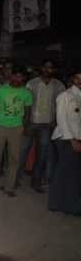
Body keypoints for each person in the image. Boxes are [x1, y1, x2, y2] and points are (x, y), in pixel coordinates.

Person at [0, 66, 33, 197]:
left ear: (24, 78)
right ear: (11, 76)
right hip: (0, 126)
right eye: (16, 75)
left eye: (21, 77)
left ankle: (9, 186)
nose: (18, 79)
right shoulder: (2, 89)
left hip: (16, 128)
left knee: (14, 158)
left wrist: (24, 127)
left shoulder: (26, 93)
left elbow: (27, 112)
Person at [17, 59, 65, 192]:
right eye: (45, 67)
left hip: (47, 124)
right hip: (31, 122)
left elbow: (61, 106)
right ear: (41, 68)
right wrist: (24, 123)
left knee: (42, 154)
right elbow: (24, 104)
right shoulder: (32, 83)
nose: (47, 70)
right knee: (22, 152)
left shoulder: (59, 85)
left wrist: (56, 122)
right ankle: (15, 179)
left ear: (54, 70)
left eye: (50, 68)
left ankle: (35, 182)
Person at [48, 69, 81, 215]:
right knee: (67, 172)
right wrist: (72, 139)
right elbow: (61, 120)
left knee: (70, 172)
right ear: (73, 79)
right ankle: (66, 205)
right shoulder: (65, 96)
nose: (80, 80)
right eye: (78, 77)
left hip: (76, 138)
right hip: (65, 138)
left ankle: (61, 203)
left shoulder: (78, 96)